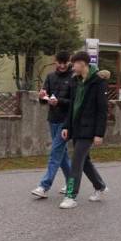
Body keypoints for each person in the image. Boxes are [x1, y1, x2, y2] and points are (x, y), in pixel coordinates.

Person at [59, 51, 109, 209]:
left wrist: (99, 133)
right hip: (76, 128)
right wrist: (66, 126)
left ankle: (71, 196)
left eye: (74, 64)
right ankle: (100, 186)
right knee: (84, 161)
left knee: (76, 162)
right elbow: (72, 107)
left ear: (83, 64)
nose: (72, 67)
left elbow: (102, 110)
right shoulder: (76, 81)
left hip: (89, 129)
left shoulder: (98, 82)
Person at [31, 51, 73, 198]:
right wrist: (42, 96)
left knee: (55, 152)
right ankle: (72, 182)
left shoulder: (74, 78)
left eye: (65, 63)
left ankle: (44, 186)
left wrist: (59, 101)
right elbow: (44, 98)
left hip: (66, 121)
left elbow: (75, 102)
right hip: (53, 119)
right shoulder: (50, 76)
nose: (62, 66)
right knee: (62, 154)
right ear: (55, 62)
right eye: (59, 63)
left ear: (69, 61)